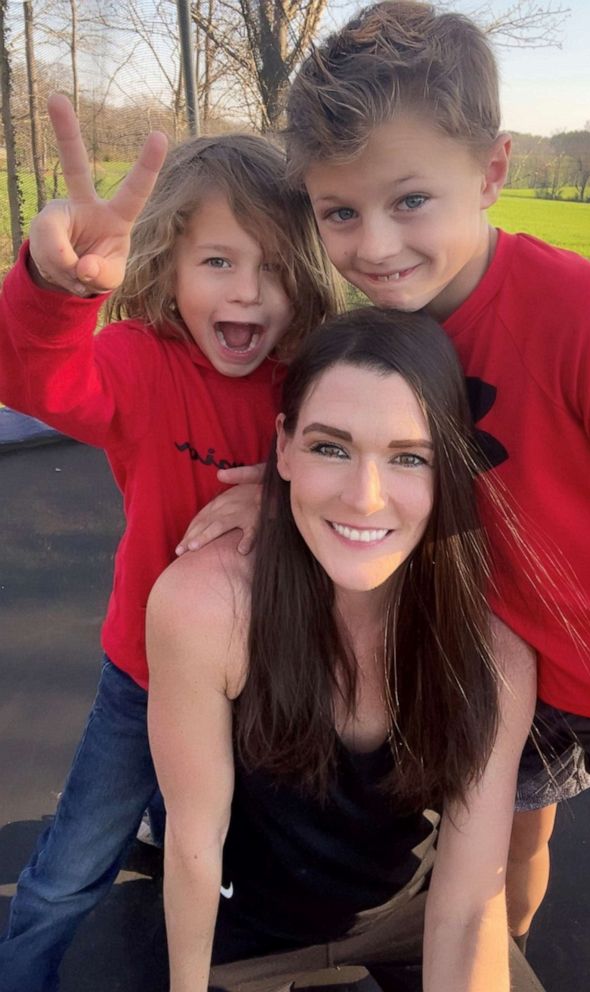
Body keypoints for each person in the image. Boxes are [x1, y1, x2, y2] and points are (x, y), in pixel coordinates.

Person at [280, 0, 590, 970]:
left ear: (492, 170)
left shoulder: (585, 320)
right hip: (507, 659)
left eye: (410, 202)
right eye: (340, 212)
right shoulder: (376, 337)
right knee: (515, 836)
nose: (375, 245)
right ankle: (509, 949)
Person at [0, 94, 340, 992]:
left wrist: (283, 481)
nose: (245, 291)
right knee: (71, 871)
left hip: (267, 682)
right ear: (171, 265)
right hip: (146, 675)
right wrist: (58, 291)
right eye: (217, 260)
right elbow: (44, 381)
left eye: (271, 266)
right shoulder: (142, 364)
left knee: (220, 846)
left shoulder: (313, 381)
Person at [146, 307, 536, 992]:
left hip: (411, 918)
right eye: (330, 447)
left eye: (408, 457)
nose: (365, 497)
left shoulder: (491, 657)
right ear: (284, 448)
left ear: (449, 471)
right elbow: (195, 841)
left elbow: (467, 906)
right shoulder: (207, 609)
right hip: (250, 940)